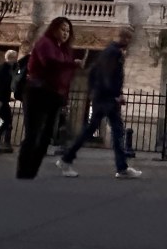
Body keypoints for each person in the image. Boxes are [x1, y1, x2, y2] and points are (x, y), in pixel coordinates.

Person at [57, 27, 143, 179]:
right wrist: (116, 95)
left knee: (96, 130)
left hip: (101, 97)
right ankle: (121, 168)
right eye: (129, 39)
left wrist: (94, 92)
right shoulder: (115, 53)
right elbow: (109, 76)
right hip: (107, 99)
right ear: (125, 38)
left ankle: (67, 159)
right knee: (115, 131)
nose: (129, 42)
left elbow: (93, 72)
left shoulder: (106, 52)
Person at [16, 17, 79, 180]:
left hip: (54, 95)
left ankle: (31, 172)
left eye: (68, 31)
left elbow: (65, 79)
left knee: (46, 136)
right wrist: (72, 64)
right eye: (62, 29)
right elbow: (49, 63)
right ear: (54, 29)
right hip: (37, 92)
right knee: (33, 133)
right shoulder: (45, 43)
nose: (65, 33)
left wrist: (64, 98)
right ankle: (23, 172)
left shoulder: (64, 50)